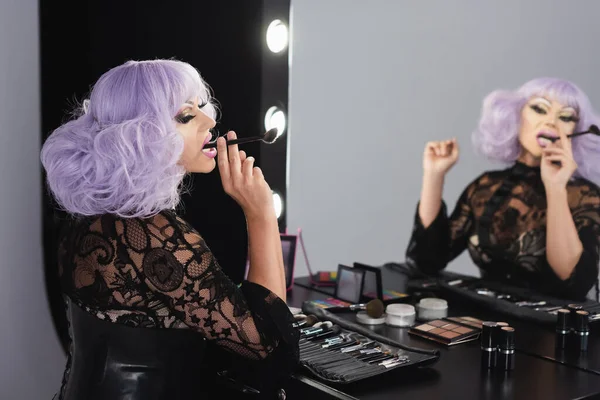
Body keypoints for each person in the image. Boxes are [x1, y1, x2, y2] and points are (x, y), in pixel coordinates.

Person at [40, 59, 299, 399]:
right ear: (140, 135)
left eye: (202, 108)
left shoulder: (87, 217)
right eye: (186, 116)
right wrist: (261, 213)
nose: (211, 121)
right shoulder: (152, 237)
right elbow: (267, 346)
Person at [405, 77, 600, 301]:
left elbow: (573, 284)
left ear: (576, 130)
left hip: (552, 331)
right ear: (516, 115)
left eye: (565, 116)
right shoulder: (487, 187)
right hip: (487, 323)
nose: (551, 123)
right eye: (539, 109)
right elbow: (427, 260)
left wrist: (555, 187)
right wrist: (434, 174)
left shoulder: (585, 196)